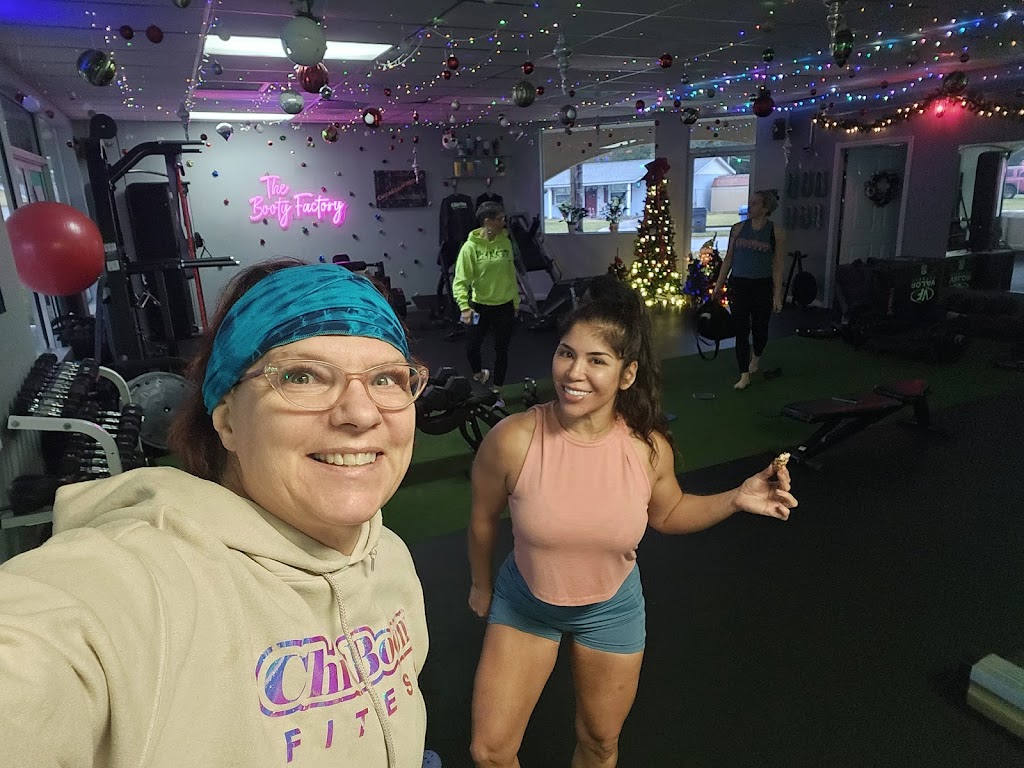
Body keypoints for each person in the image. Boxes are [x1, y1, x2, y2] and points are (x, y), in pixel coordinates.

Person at [0, 259, 431, 768]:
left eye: (386, 379)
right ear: (226, 421)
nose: (360, 413)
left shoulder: (390, 557)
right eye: (303, 376)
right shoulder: (137, 586)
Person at [466, 276, 797, 768]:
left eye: (596, 360)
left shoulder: (646, 449)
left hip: (611, 609)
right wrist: (481, 585)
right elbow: (481, 518)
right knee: (491, 751)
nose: (574, 372)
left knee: (600, 742)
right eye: (566, 353)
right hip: (526, 603)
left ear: (627, 375)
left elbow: (669, 512)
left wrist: (736, 498)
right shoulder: (513, 439)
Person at [712, 189, 787, 390]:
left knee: (760, 329)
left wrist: (777, 295)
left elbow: (778, 265)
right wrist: (719, 285)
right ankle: (743, 374)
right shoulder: (738, 229)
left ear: (765, 208)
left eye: (755, 203)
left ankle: (757, 356)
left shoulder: (776, 232)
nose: (750, 206)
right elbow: (729, 258)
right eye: (750, 202)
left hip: (762, 285)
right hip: (739, 284)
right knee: (741, 330)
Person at [452, 201, 520, 403]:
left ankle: (498, 390)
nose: (504, 222)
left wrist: (516, 302)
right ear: (488, 221)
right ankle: (479, 374)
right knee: (472, 347)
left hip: (504, 306)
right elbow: (460, 281)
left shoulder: (505, 243)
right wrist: (464, 307)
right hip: (479, 307)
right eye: (500, 219)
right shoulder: (470, 248)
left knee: (502, 350)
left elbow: (511, 274)